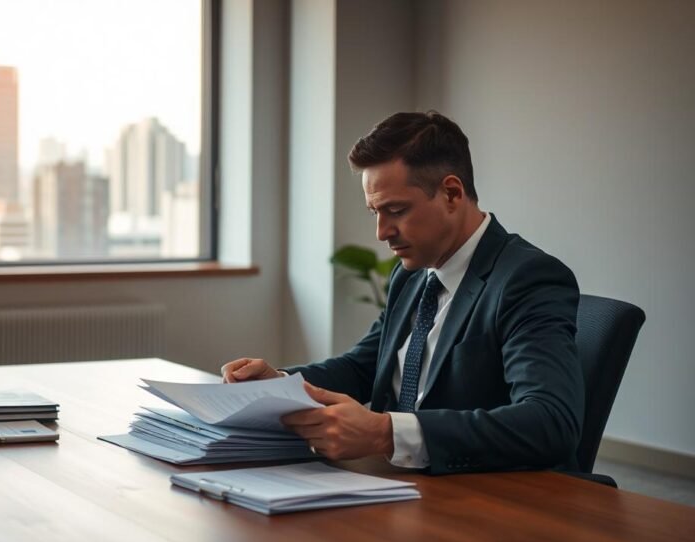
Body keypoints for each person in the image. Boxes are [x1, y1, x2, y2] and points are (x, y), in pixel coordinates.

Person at [221, 111, 584, 474]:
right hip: (397, 482)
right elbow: (364, 367)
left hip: (479, 493)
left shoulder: (527, 278)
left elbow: (550, 420)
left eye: (395, 210)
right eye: (374, 212)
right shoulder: (411, 276)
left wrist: (387, 433)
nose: (381, 232)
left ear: (452, 193)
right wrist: (280, 386)